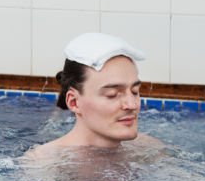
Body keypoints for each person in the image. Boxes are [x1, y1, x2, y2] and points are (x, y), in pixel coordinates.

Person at [27, 32, 160, 159]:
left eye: (135, 91)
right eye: (112, 95)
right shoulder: (43, 163)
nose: (132, 104)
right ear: (74, 102)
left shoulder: (149, 149)